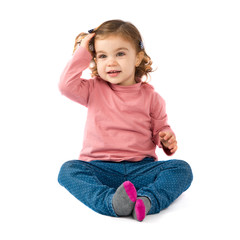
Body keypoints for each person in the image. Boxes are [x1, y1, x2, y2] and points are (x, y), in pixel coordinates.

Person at [58, 19, 193, 222]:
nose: (111, 62)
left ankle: (146, 200)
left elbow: (160, 129)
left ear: (138, 58)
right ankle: (111, 202)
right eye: (102, 56)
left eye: (120, 54)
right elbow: (65, 85)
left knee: (181, 169)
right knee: (68, 170)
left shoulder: (151, 97)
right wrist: (84, 50)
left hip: (142, 169)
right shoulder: (92, 89)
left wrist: (165, 138)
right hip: (100, 168)